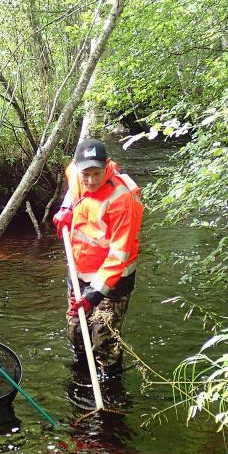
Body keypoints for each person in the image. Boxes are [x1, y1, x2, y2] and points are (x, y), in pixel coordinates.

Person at [52, 138, 143, 378]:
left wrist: (94, 293)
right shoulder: (76, 172)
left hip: (113, 280)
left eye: (97, 174)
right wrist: (66, 208)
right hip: (79, 270)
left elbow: (119, 253)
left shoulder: (122, 199)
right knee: (76, 332)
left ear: (107, 166)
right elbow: (73, 185)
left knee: (104, 340)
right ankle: (81, 381)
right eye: (86, 175)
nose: (90, 181)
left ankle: (111, 390)